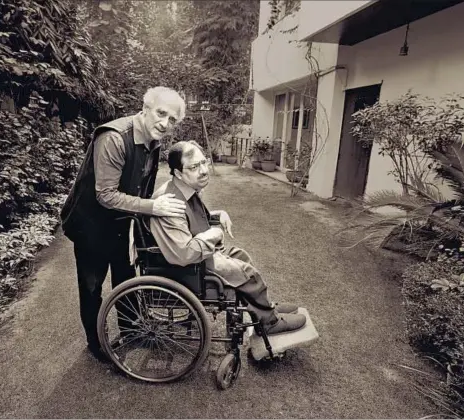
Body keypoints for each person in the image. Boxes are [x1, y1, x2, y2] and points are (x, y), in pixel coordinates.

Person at [60, 87, 188, 361]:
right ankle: (96, 344)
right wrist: (152, 207)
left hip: (121, 221)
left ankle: (132, 332)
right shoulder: (114, 138)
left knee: (126, 278)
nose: (165, 123)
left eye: (172, 120)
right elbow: (105, 195)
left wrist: (147, 214)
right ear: (145, 108)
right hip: (90, 224)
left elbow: (142, 185)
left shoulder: (154, 141)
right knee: (92, 287)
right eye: (161, 113)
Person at [149, 141, 307, 335]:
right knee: (248, 274)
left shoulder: (183, 188)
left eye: (203, 163)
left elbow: (190, 221)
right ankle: (269, 322)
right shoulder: (171, 204)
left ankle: (264, 309)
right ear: (178, 173)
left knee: (241, 256)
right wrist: (214, 233)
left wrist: (216, 215)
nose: (203, 170)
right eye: (194, 167)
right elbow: (184, 253)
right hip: (187, 267)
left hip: (199, 257)